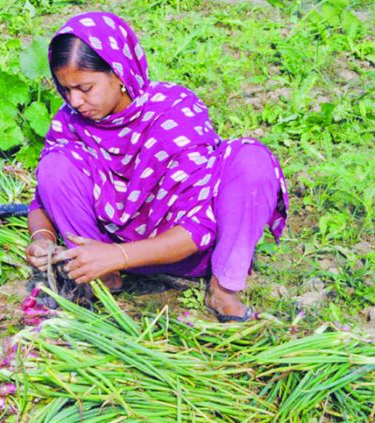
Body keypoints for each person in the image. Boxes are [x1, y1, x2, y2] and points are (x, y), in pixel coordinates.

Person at [24, 11, 289, 322]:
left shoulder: (173, 113)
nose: (76, 101)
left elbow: (199, 227)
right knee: (55, 166)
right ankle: (102, 280)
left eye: (85, 88)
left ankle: (223, 288)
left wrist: (118, 255)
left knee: (252, 161)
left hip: (186, 251)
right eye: (66, 90)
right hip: (102, 256)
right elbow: (43, 199)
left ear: (119, 75)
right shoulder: (71, 121)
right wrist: (42, 238)